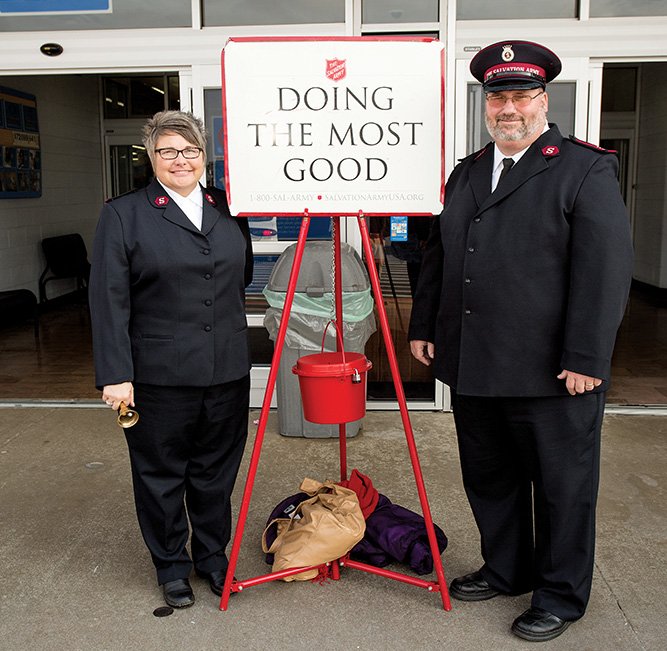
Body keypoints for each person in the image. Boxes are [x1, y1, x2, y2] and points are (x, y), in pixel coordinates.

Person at [409, 40, 633, 642]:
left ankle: (560, 595)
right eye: (497, 97)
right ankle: (508, 568)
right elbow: (440, 257)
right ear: (486, 104)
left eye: (520, 96)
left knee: (562, 488)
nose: (508, 108)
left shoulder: (583, 167)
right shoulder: (466, 171)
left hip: (552, 371)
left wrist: (586, 356)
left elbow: (604, 272)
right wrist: (425, 326)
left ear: (543, 100)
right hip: (476, 364)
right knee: (490, 477)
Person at [89, 110, 253, 609]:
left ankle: (211, 557)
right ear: (152, 157)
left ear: (205, 157)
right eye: (169, 151)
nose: (181, 160)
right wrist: (116, 375)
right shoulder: (124, 214)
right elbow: (108, 298)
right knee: (161, 476)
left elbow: (238, 278)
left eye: (190, 150)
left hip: (225, 370)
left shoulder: (228, 207)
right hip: (157, 375)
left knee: (215, 473)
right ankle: (171, 566)